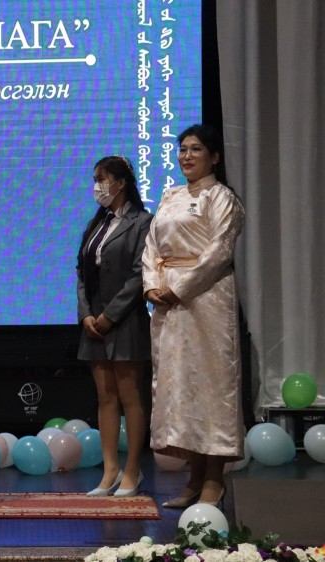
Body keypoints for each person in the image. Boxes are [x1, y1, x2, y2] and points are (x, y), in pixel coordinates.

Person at [143, 124, 245, 508]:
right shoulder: (171, 196)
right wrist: (151, 286)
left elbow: (219, 253)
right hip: (169, 305)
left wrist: (179, 288)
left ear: (214, 157)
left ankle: (215, 479)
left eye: (196, 149)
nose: (186, 156)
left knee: (212, 387)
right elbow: (152, 246)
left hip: (207, 300)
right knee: (181, 389)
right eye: (182, 149)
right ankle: (195, 477)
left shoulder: (222, 198)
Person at [76, 155, 152, 497]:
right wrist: (87, 314)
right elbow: (81, 272)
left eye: (101, 179)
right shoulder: (96, 222)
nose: (97, 186)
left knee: (130, 396)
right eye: (95, 179)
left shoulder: (142, 222)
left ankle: (133, 470)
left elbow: (140, 274)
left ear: (121, 184)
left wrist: (110, 316)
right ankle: (110, 471)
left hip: (126, 321)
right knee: (105, 397)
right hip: (94, 324)